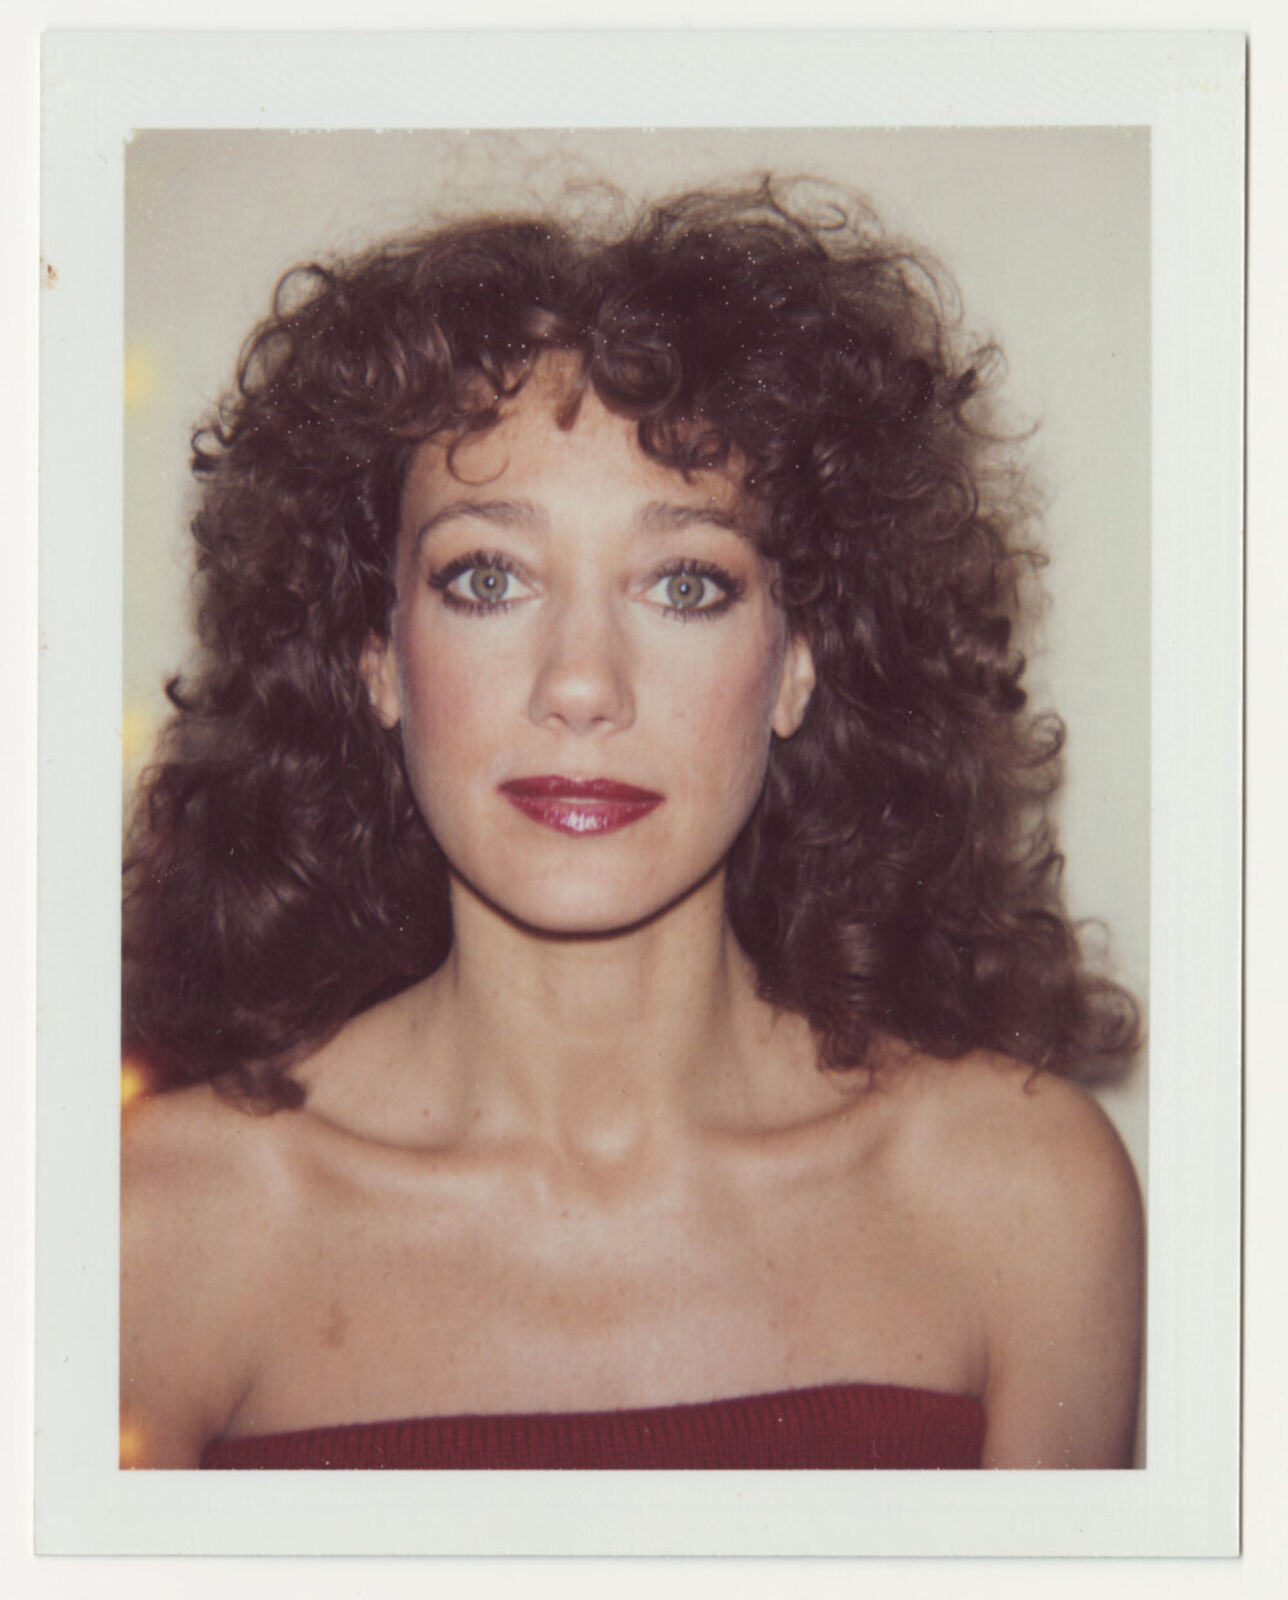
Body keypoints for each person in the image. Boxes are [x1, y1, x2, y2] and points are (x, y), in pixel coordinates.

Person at [120, 179, 1143, 1471]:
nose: (583, 687)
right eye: (487, 577)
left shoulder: (1024, 1199)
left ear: (798, 665)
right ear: (374, 652)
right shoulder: (152, 1225)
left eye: (685, 582)